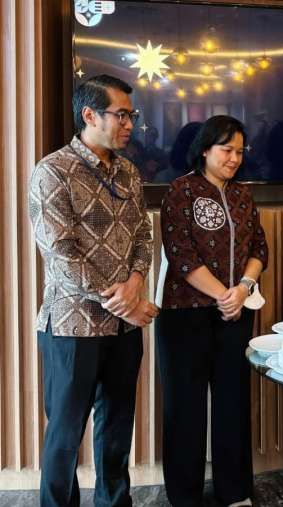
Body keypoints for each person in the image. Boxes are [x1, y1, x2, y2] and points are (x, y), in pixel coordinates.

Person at [29, 74, 158, 506]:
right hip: (71, 327)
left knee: (117, 430)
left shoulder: (129, 172)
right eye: (121, 115)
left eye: (131, 115)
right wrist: (122, 301)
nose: (129, 124)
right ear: (89, 115)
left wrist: (137, 283)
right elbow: (60, 253)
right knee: (64, 438)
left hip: (123, 330)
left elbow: (144, 234)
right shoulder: (53, 171)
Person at [157, 115, 269, 506]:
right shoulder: (180, 190)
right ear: (205, 149)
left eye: (240, 151)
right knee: (184, 406)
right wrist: (224, 294)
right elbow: (181, 257)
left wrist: (242, 289)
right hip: (185, 314)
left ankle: (235, 491)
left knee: (233, 403)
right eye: (226, 150)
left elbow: (260, 249)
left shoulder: (242, 195)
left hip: (236, 311)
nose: (234, 158)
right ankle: (184, 496)